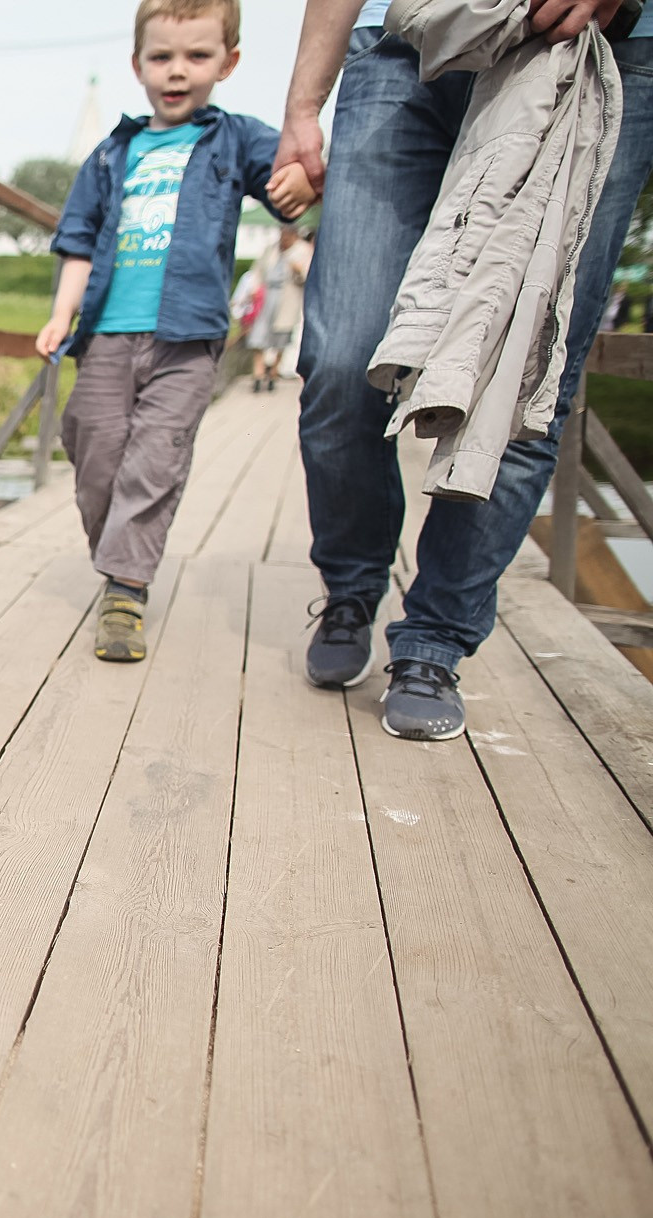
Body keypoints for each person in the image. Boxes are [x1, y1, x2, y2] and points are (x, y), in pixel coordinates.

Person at [278, 0, 653, 740]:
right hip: (406, 40)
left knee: (521, 371)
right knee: (342, 357)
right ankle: (353, 585)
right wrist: (302, 104)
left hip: (592, 45)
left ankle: (434, 639)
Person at [37, 0, 311, 663]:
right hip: (106, 332)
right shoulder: (111, 154)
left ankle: (125, 587)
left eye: (197, 56)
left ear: (228, 62)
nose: (177, 71)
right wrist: (60, 313)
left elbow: (288, 175)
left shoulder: (233, 138)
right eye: (161, 57)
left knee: (155, 458)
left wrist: (302, 177)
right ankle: (120, 554)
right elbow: (77, 241)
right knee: (95, 448)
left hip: (187, 339)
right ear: (137, 66)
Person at [246, 223, 313, 391]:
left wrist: (298, 270)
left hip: (287, 299)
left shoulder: (303, 251)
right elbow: (257, 270)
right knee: (258, 336)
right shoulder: (271, 249)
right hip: (266, 298)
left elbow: (309, 277)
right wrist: (254, 288)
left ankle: (273, 373)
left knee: (281, 338)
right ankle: (258, 374)